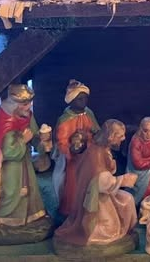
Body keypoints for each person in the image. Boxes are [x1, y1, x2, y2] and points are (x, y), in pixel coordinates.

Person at [54, 119, 138, 246]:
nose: (123, 138)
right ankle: (90, 233)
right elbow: (101, 182)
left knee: (128, 199)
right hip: (95, 198)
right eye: (120, 136)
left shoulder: (104, 149)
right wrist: (122, 180)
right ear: (111, 136)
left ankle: (127, 230)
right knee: (109, 227)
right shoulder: (96, 153)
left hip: (104, 193)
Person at [0, 84, 50, 229]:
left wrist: (42, 141)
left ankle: (30, 217)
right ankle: (4, 219)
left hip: (24, 161)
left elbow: (33, 134)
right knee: (12, 191)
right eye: (25, 104)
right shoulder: (5, 122)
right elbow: (7, 151)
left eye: (30, 103)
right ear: (14, 104)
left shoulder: (27, 115)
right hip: (10, 167)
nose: (29, 107)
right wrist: (23, 140)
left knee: (30, 188)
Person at [53, 79, 100, 216]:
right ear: (72, 100)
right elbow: (61, 141)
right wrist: (72, 150)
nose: (84, 102)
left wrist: (92, 138)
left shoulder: (88, 113)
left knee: (90, 180)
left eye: (85, 99)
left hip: (89, 154)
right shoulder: (65, 119)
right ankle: (71, 209)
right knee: (74, 183)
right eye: (80, 99)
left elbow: (96, 130)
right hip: (73, 158)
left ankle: (89, 207)